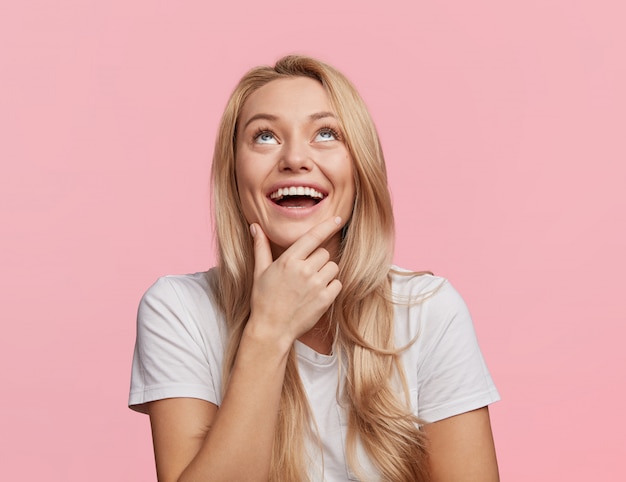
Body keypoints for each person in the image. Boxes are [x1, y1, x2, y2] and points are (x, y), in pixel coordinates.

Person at [129, 55, 500, 482]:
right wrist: (268, 333)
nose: (294, 158)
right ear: (233, 173)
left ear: (361, 169)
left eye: (326, 133)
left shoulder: (428, 310)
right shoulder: (178, 309)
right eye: (264, 136)